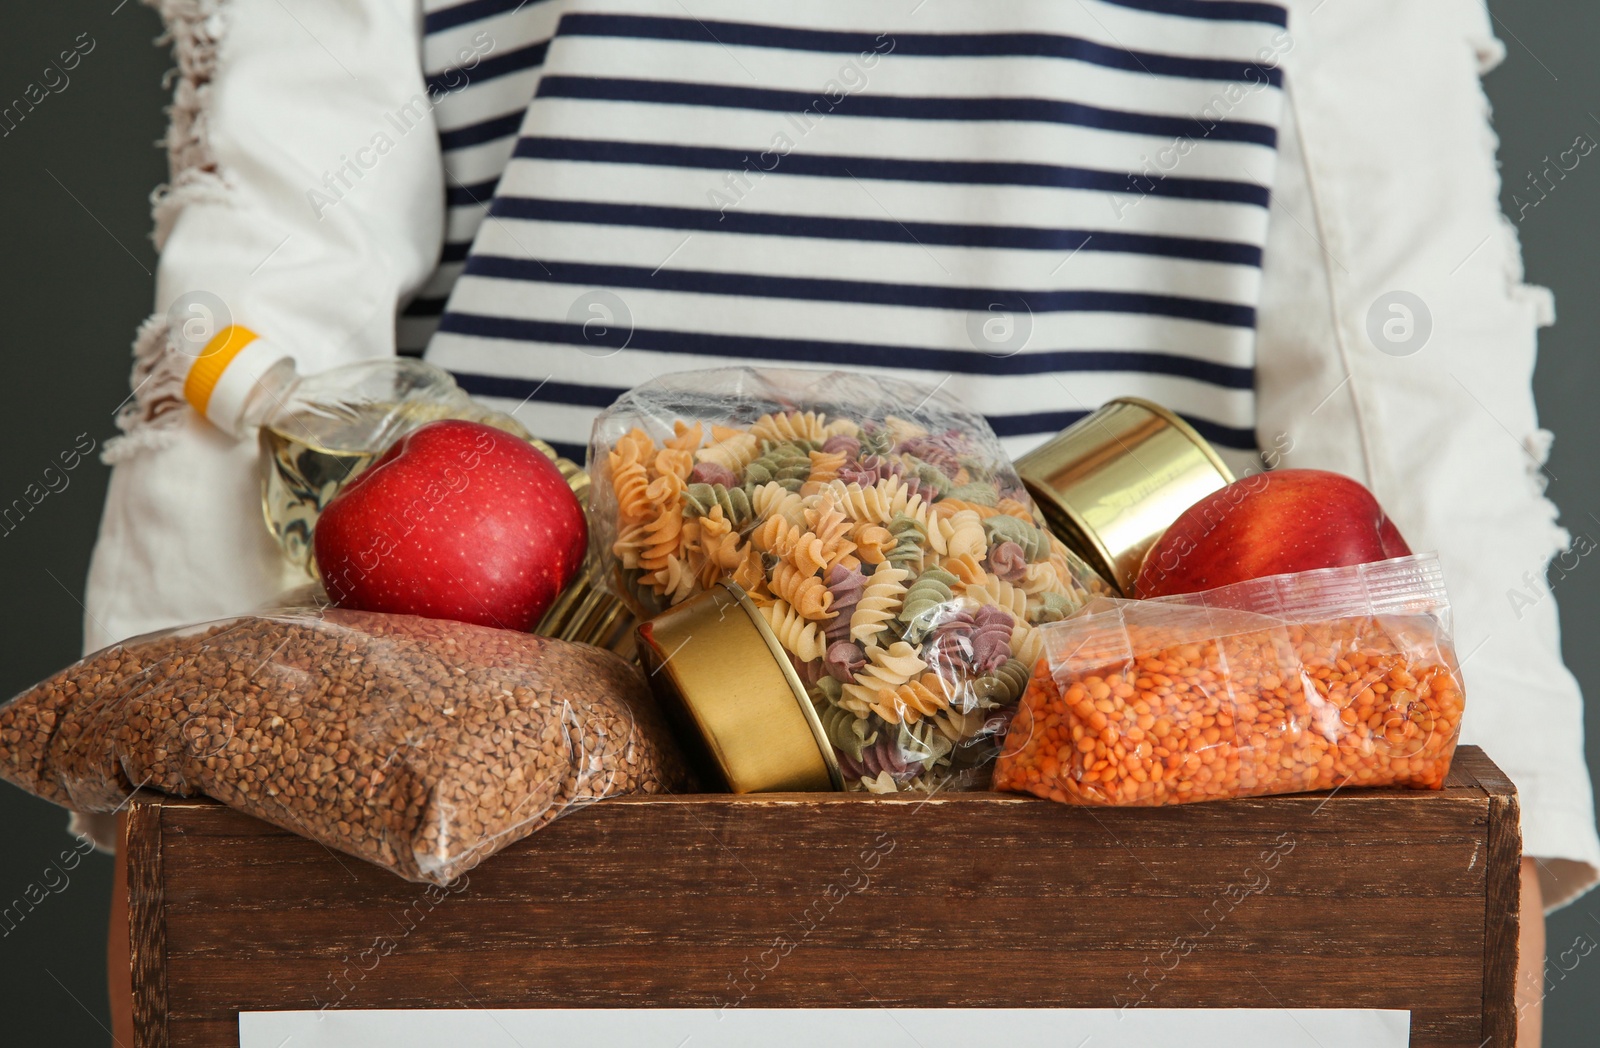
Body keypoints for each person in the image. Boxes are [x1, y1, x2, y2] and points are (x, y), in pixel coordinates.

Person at [86, 1, 1594, 1044]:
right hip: (501, 789)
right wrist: (176, 801)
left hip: (1123, 814)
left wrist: (1488, 859)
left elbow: (1403, 348)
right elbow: (274, 260)